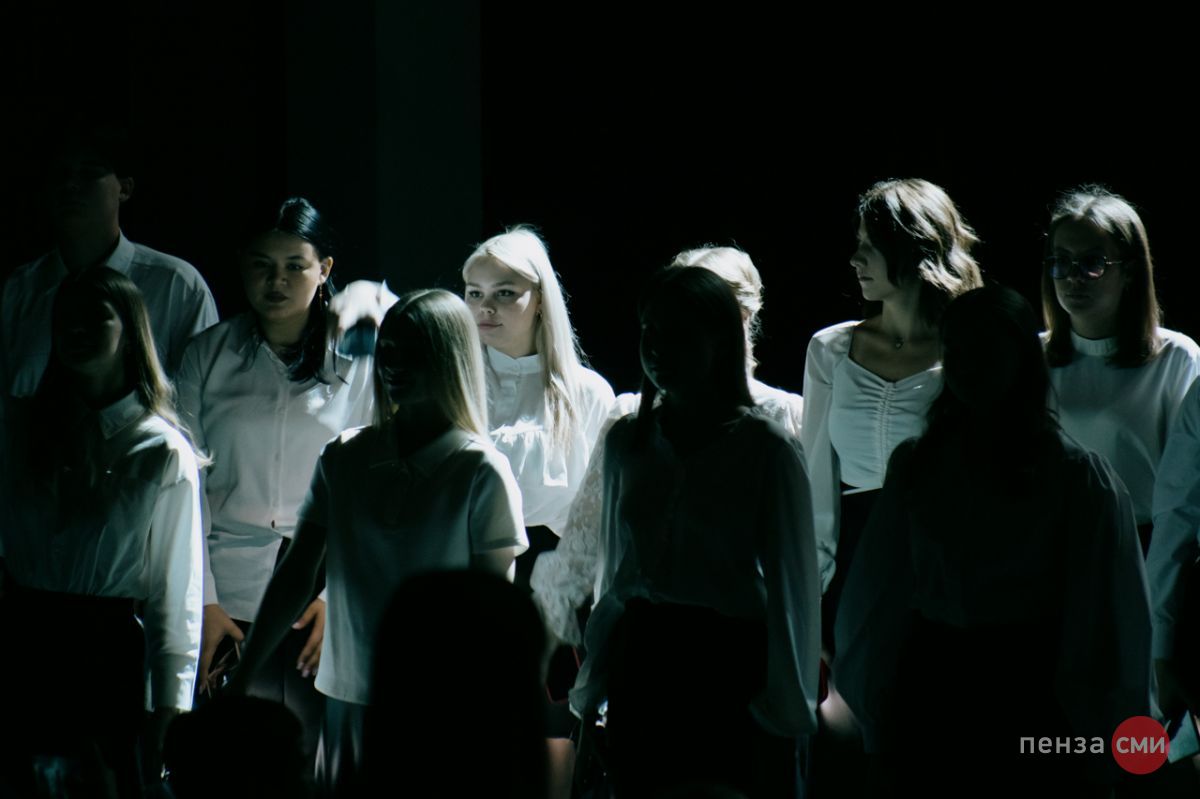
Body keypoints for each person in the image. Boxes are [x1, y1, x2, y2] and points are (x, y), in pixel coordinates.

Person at [835, 286, 1153, 794]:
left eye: (985, 351)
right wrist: (876, 712)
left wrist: (1104, 739)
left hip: (1030, 692)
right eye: (956, 350)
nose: (967, 366)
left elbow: (1109, 615)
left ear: (1019, 359)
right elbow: (878, 593)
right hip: (932, 689)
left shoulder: (1075, 476)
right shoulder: (918, 466)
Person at [229, 289, 527, 796]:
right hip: (347, 698)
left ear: (448, 357)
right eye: (387, 349)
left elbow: (489, 617)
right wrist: (243, 674)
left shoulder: (480, 471)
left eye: (413, 351)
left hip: (440, 711)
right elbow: (297, 573)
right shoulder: (345, 456)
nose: (394, 364)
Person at [573, 266, 818, 798]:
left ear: (719, 339)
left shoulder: (767, 447)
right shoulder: (628, 442)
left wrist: (787, 711)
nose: (658, 348)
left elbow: (793, 588)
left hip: (726, 660)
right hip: (644, 655)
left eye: (678, 333)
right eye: (650, 331)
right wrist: (596, 684)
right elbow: (613, 575)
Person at [176, 198, 392, 757]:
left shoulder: (356, 358)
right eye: (261, 265)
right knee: (225, 758)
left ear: (324, 269)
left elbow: (372, 486)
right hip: (224, 583)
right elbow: (185, 489)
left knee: (308, 758)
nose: (276, 281)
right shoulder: (208, 355)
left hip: (319, 586)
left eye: (295, 265)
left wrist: (334, 595)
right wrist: (204, 600)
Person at [531, 245, 803, 648]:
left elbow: (794, 564)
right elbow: (596, 544)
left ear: (732, 321)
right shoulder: (631, 426)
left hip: (732, 641)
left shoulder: (776, 425)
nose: (661, 345)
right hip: (640, 640)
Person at [0, 267, 203, 795]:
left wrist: (170, 706)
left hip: (106, 656)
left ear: (130, 330)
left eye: (95, 317)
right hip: (22, 641)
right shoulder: (18, 431)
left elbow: (175, 591)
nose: (77, 329)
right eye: (66, 318)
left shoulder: (161, 450)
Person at [1, 125, 217, 400]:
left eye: (89, 173)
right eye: (60, 174)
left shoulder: (177, 285)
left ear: (124, 188)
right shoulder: (18, 291)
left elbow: (204, 403)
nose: (71, 185)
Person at [1041, 186, 1200, 550]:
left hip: (1146, 547)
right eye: (1061, 261)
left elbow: (1189, 484)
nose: (1073, 277)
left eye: (1092, 263)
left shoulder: (1176, 358)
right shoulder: (1032, 356)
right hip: (1052, 550)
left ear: (1129, 271)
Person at [462, 227, 614, 590]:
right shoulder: (454, 385)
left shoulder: (588, 394)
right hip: (469, 577)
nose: (485, 307)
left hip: (563, 582)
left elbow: (606, 517)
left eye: (505, 292)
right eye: (474, 293)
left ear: (541, 299)